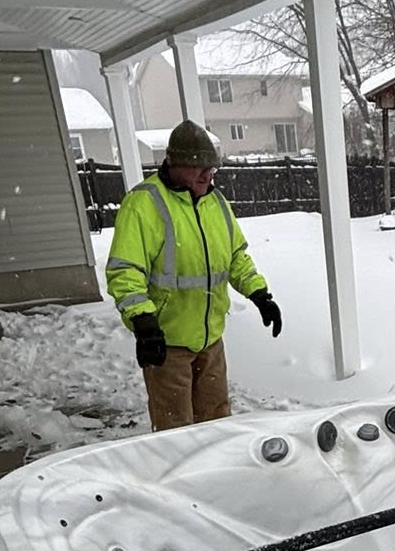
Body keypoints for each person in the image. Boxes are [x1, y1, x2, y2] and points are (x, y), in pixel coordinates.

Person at [105, 119, 282, 431]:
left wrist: (260, 294)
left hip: (210, 339)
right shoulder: (144, 204)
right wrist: (143, 322)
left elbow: (235, 256)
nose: (207, 174)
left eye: (211, 168)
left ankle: (217, 478)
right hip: (167, 342)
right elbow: (125, 270)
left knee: (217, 422)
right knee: (177, 431)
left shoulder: (216, 202)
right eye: (198, 166)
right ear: (174, 163)